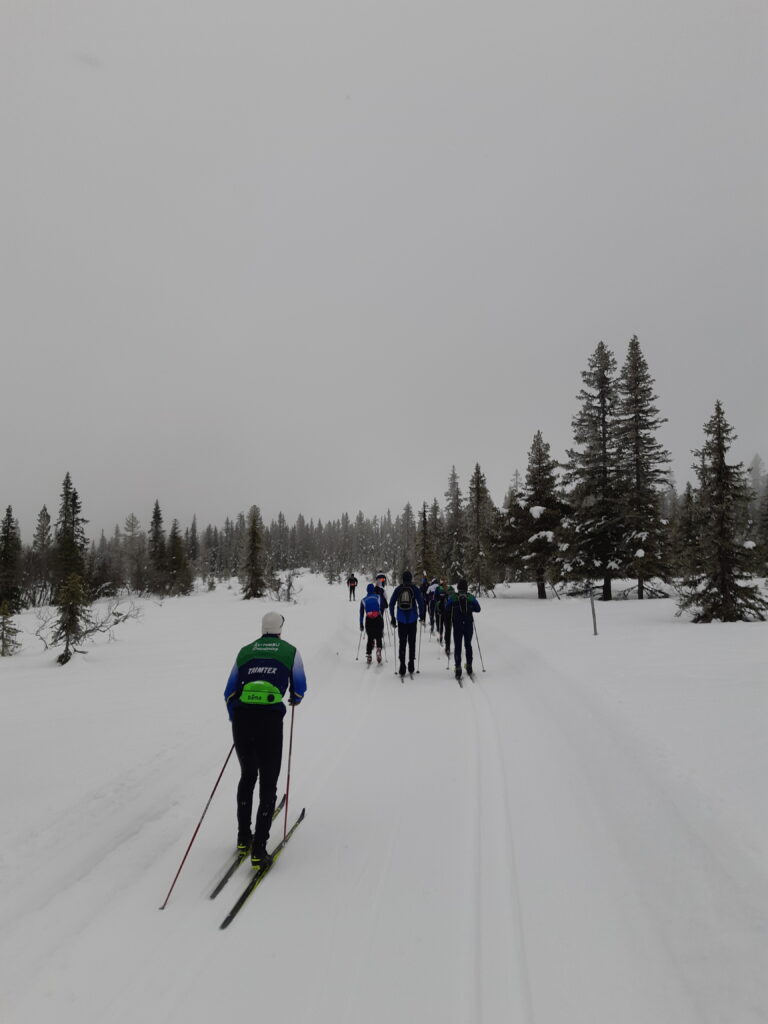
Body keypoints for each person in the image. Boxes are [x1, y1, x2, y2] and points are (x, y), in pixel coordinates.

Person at [223, 611, 307, 868]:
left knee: (248, 775)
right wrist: (294, 698)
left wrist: (234, 718)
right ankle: (259, 850)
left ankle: (243, 837)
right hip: (269, 721)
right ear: (280, 629)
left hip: (242, 720)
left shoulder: (245, 651)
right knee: (268, 781)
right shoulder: (290, 651)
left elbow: (229, 691)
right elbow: (300, 688)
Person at [389, 570, 426, 677]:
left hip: (401, 619)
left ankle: (402, 665)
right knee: (412, 641)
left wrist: (393, 617)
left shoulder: (398, 589)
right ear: (410, 579)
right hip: (412, 619)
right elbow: (421, 603)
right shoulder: (415, 589)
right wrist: (422, 615)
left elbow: (391, 604)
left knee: (402, 642)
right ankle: (411, 664)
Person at [444, 580, 481, 680]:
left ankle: (458, 667)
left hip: (457, 625)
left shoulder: (453, 597)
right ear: (466, 588)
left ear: (458, 588)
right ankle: (469, 666)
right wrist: (471, 608)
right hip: (468, 624)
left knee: (458, 646)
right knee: (468, 645)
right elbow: (478, 609)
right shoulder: (470, 597)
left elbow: (446, 608)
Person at [359, 582, 387, 664]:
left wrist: (361, 624)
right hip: (378, 618)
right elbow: (383, 606)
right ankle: (378, 650)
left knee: (370, 638)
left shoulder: (363, 600)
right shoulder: (378, 597)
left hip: (369, 620)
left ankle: (369, 654)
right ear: (373, 590)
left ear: (367, 590)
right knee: (379, 636)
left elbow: (361, 613)